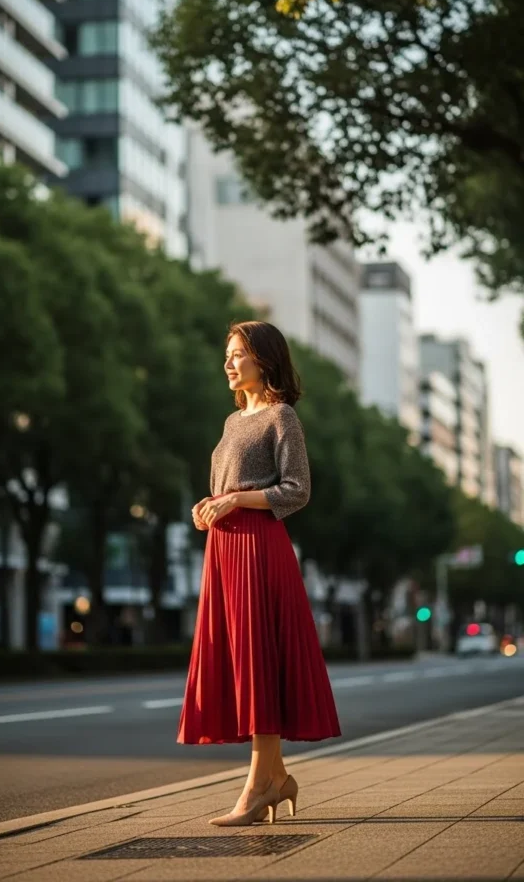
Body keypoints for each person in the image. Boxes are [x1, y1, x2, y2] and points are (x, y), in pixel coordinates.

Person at [177, 321, 341, 826]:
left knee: (257, 662)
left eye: (238, 354)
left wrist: (233, 501)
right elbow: (226, 489)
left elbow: (296, 490)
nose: (228, 363)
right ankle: (277, 780)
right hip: (225, 552)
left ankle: (256, 787)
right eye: (226, 354)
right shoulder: (231, 423)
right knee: (241, 661)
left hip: (259, 550)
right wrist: (209, 505)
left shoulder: (281, 417)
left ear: (264, 360)